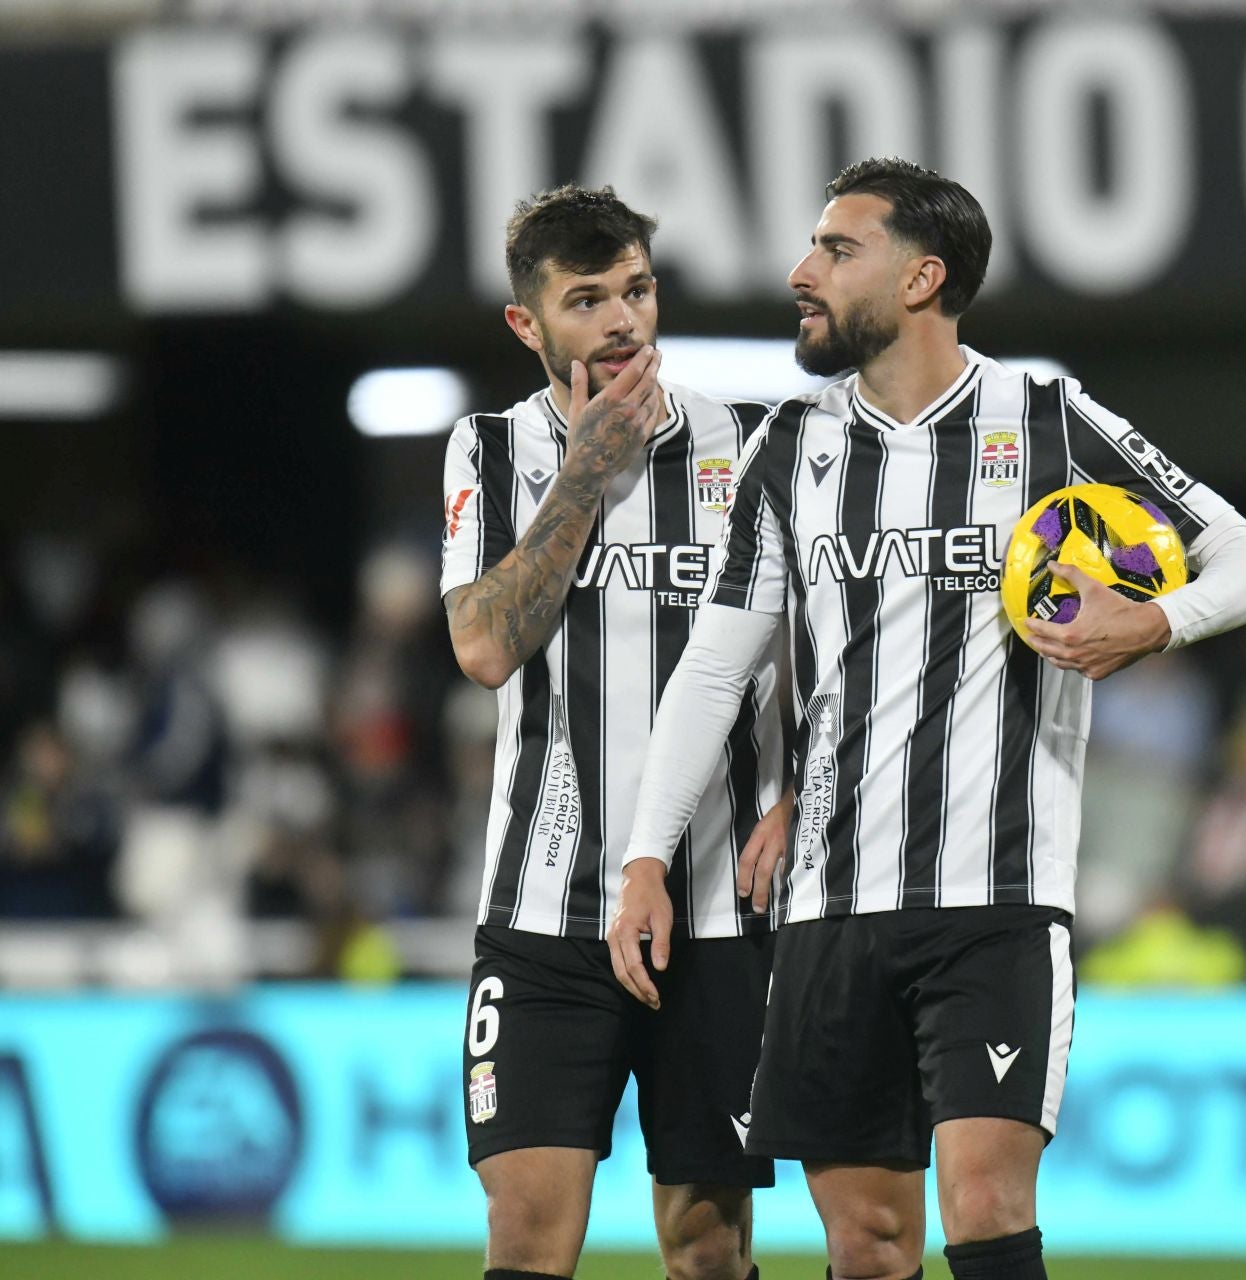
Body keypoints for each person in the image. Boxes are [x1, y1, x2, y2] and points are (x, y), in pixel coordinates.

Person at [609, 157, 1246, 1280]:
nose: (802, 271)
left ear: (923, 277)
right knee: (870, 1244)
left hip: (999, 898)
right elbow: (715, 668)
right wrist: (648, 852)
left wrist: (1155, 621)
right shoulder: (790, 448)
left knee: (983, 1204)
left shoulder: (1044, 420)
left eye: (837, 250)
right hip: (831, 903)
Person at [440, 185, 790, 1280]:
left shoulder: (752, 444)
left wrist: (793, 797)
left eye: (635, 290)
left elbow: (808, 655)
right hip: (544, 912)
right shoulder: (489, 452)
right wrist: (588, 468)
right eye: (585, 300)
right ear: (527, 324)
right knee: (529, 1234)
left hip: (718, 913)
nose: (621, 322)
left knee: (707, 1239)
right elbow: (486, 645)